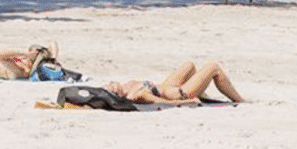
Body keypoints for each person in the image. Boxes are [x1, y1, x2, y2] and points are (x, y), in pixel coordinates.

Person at [103, 61, 245, 105]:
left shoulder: (127, 86)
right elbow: (162, 103)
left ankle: (202, 93)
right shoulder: (136, 95)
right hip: (180, 94)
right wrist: (188, 102)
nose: (112, 85)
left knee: (189, 65)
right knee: (214, 68)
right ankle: (239, 100)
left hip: (167, 86)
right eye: (113, 89)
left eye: (110, 84)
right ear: (117, 95)